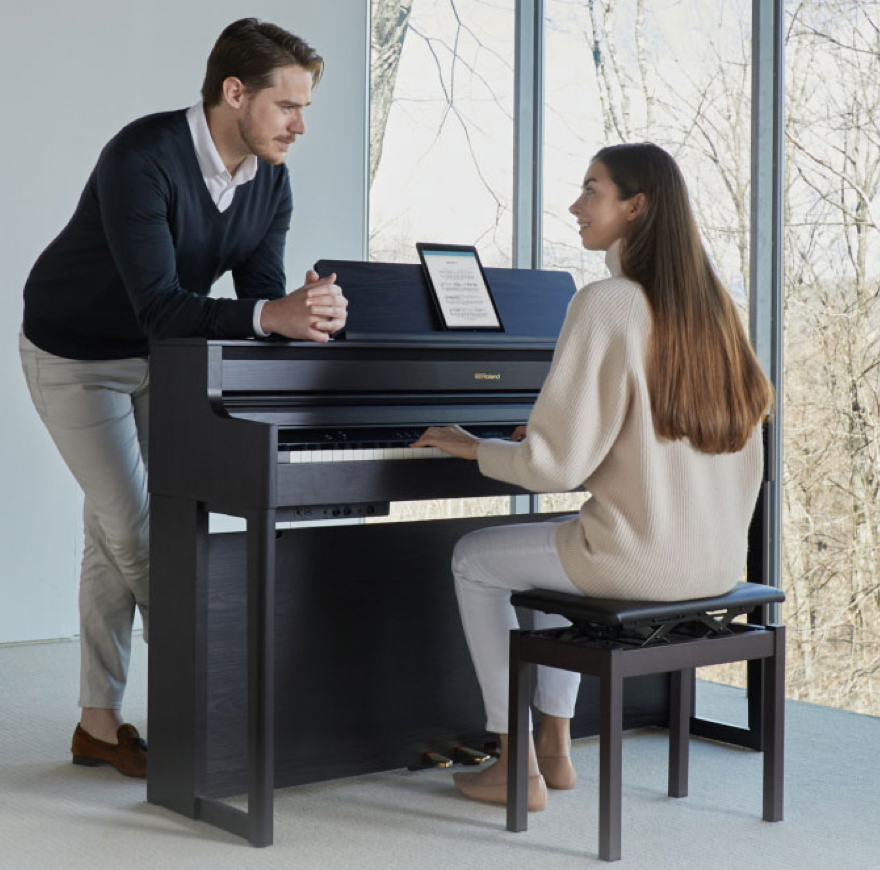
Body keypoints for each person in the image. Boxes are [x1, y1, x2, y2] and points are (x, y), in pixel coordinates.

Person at [18, 18, 348, 778]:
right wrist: (271, 316)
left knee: (113, 532)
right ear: (234, 93)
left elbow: (259, 298)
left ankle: (98, 725)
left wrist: (307, 313)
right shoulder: (143, 157)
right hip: (74, 354)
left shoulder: (270, 179)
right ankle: (225, 703)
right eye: (287, 106)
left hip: (157, 359)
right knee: (138, 532)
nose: (299, 126)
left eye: (305, 109)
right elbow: (163, 306)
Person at [412, 142, 773, 812]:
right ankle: (554, 746)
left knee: (473, 559)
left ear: (636, 206)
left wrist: (474, 447)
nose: (576, 205)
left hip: (638, 563)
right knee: (557, 545)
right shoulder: (716, 312)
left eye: (592, 189)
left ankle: (513, 761)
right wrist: (558, 440)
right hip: (714, 564)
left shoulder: (607, 302)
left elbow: (554, 466)